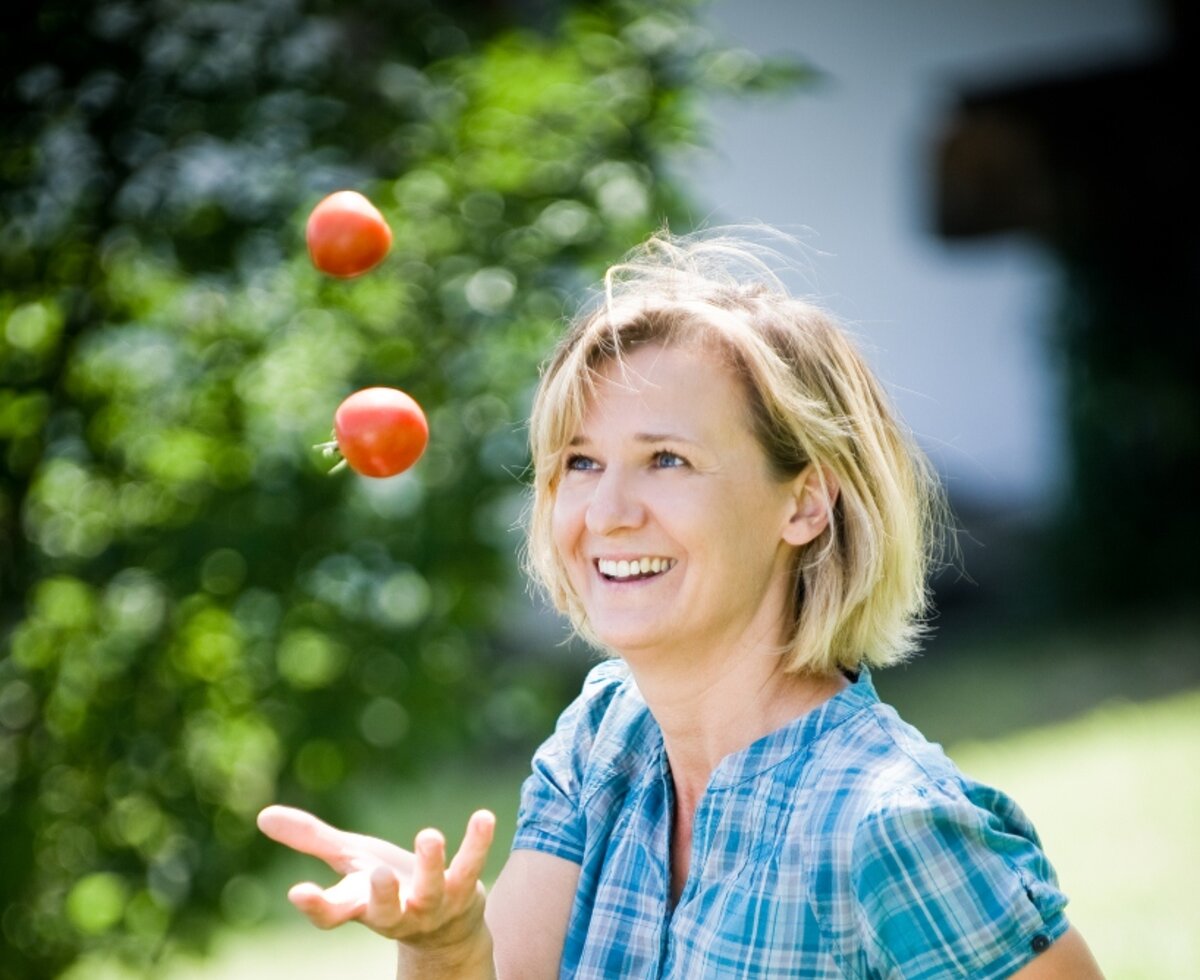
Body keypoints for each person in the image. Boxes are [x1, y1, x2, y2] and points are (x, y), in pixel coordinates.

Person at [258, 230, 1105, 978]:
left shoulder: (888, 825)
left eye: (665, 459)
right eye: (581, 462)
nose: (608, 512)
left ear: (804, 503)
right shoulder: (603, 742)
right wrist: (445, 948)